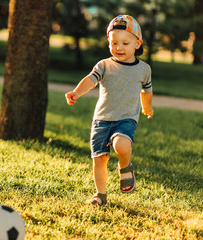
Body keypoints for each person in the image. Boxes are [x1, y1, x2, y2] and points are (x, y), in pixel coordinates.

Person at [65, 15, 154, 205]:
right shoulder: (104, 65)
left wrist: (147, 108)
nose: (119, 47)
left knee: (121, 145)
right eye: (114, 43)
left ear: (137, 43)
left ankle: (125, 166)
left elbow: (146, 91)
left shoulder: (144, 69)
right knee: (99, 159)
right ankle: (101, 195)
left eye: (125, 43)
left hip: (126, 118)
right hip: (101, 119)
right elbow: (90, 80)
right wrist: (76, 93)